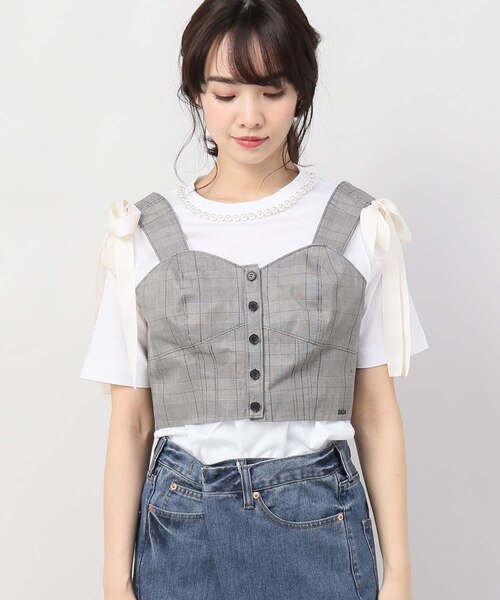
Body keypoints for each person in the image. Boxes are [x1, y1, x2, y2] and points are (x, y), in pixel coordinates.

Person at [80, 1, 429, 599]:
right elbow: (132, 420)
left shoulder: (360, 225)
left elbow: (374, 410)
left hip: (322, 521)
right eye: (225, 94)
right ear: (196, 93)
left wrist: (398, 574)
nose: (250, 116)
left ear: (301, 93)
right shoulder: (138, 234)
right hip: (180, 529)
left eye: (272, 91)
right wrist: (116, 578)